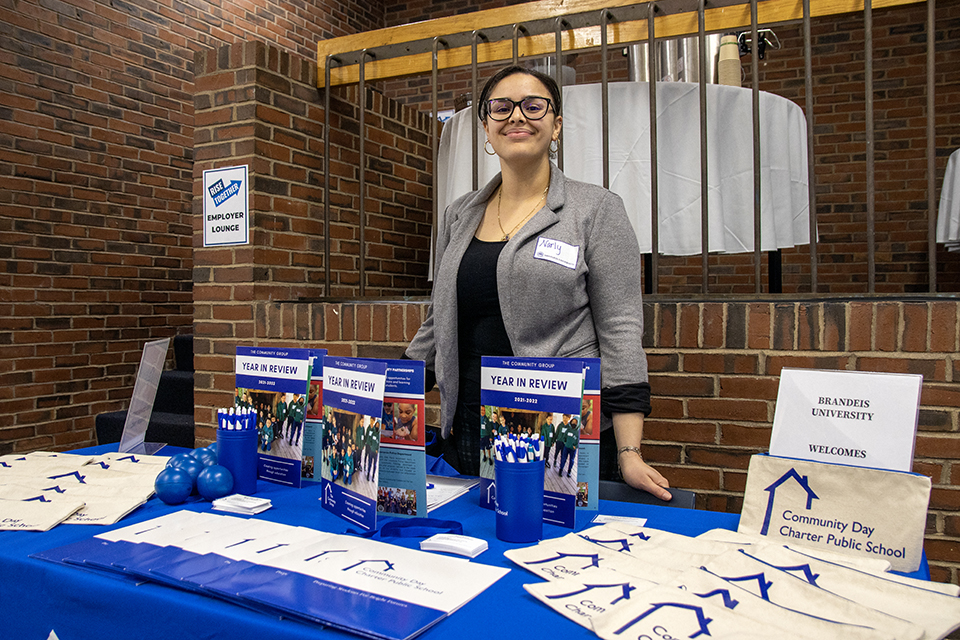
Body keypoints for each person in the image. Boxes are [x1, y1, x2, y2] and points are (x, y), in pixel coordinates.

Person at [404, 64, 670, 501]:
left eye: (533, 106)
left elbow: (621, 330)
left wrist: (629, 451)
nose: (517, 116)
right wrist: (393, 397)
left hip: (557, 430)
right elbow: (439, 322)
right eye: (502, 107)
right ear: (486, 129)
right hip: (469, 426)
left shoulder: (596, 209)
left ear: (556, 124)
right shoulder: (459, 213)